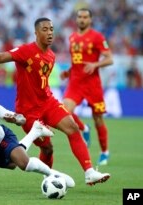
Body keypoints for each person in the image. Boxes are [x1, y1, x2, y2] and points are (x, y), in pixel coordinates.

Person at [0, 17, 110, 185]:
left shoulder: (51, 55)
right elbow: (0, 58)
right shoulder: (25, 51)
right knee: (47, 149)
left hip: (48, 102)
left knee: (73, 128)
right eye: (45, 29)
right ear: (36, 33)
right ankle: (47, 179)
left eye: (51, 29)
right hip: (28, 111)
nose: (49, 33)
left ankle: (89, 172)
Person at [60, 8, 114, 166]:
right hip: (75, 82)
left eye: (85, 17)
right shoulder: (72, 37)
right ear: (76, 19)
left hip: (92, 84)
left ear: (90, 20)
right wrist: (69, 72)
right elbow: (77, 61)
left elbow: (110, 59)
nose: (82, 19)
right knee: (65, 111)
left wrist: (95, 64)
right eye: (80, 17)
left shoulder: (97, 37)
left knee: (98, 119)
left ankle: (104, 152)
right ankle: (84, 128)